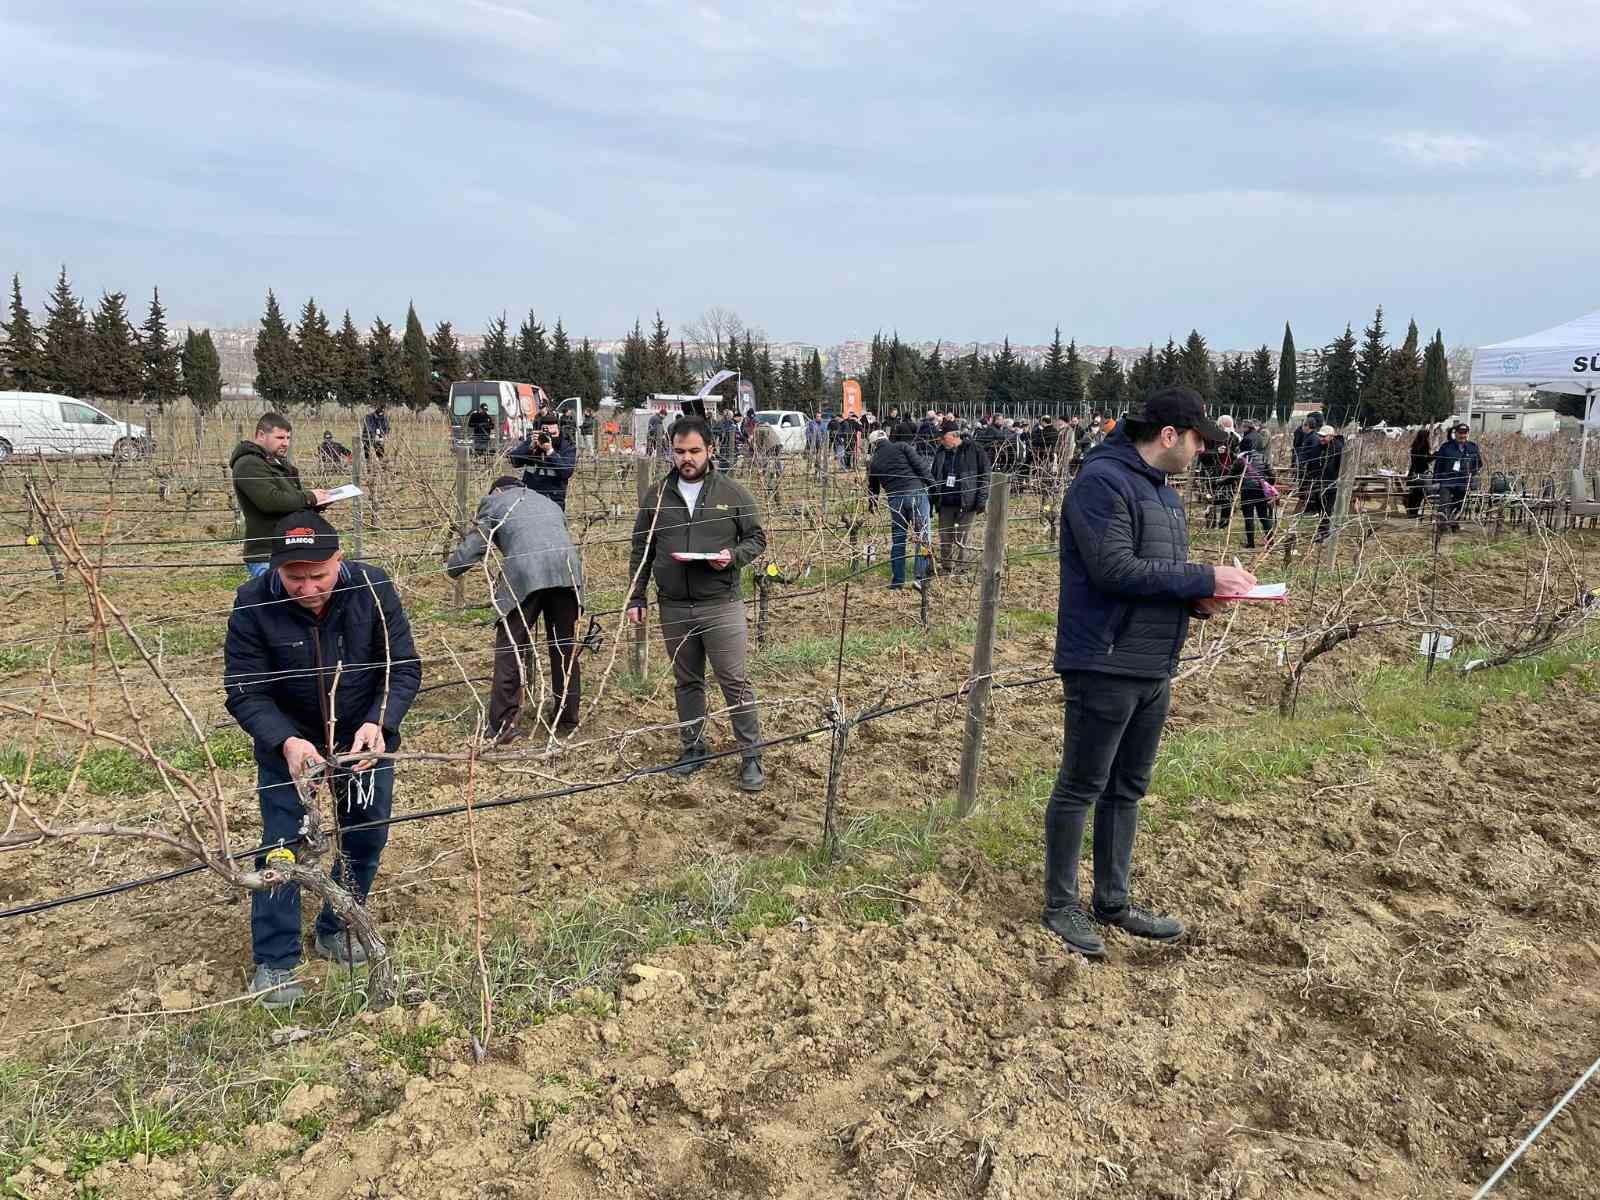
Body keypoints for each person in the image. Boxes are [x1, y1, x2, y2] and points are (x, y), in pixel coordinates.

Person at [1045, 387, 1257, 960]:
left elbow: (1157, 576)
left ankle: (1112, 901)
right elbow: (1114, 569)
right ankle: (1061, 904)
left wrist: (1200, 602)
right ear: (1169, 435)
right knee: (1082, 784)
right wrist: (1201, 576)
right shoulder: (1102, 484)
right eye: (1196, 440)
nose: (1200, 452)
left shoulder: (1163, 495)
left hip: (1153, 663)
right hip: (1104, 660)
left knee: (1127, 787)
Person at [223, 511, 421, 1008]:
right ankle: (276, 960)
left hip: (360, 738)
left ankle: (337, 926)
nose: (308, 588)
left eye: (319, 575)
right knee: (282, 846)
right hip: (288, 744)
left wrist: (380, 722)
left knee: (366, 834)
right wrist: (287, 742)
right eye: (295, 578)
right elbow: (243, 690)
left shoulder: (372, 589)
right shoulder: (254, 601)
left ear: (339, 560)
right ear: (275, 570)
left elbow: (403, 667)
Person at [628, 416, 768, 793]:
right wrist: (637, 595)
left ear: (710, 450)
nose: (686, 458)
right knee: (687, 681)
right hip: (673, 605)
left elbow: (756, 539)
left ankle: (751, 756)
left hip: (719, 603)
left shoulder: (732, 493)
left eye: (693, 451)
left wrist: (733, 556)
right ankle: (693, 749)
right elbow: (641, 549)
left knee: (734, 682)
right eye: (679, 452)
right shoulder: (657, 496)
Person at [446, 477, 584, 741]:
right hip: (568, 572)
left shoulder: (495, 502)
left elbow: (475, 546)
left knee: (510, 647)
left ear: (497, 490)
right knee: (565, 648)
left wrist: (453, 566)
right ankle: (567, 719)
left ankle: (503, 726)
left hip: (525, 573)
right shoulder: (548, 502)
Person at [229, 413, 332, 579]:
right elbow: (270, 501)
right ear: (261, 435)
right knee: (275, 601)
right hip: (267, 553)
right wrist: (309, 497)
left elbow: (288, 500)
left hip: (287, 548)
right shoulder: (249, 463)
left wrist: (315, 503)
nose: (286, 443)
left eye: (288, 438)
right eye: (280, 437)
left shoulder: (276, 462)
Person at [868, 420, 935, 590]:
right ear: (886, 439)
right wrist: (934, 486)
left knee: (898, 539)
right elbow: (920, 466)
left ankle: (897, 580)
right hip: (915, 494)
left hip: (895, 500)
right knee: (923, 536)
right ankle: (920, 577)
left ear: (874, 445)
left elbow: (873, 487)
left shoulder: (874, 462)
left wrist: (872, 502)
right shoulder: (902, 447)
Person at [929, 419, 991, 573]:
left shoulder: (974, 450)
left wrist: (982, 499)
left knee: (964, 537)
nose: (940, 440)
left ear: (954, 435)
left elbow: (985, 475)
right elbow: (934, 476)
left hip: (967, 502)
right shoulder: (941, 452)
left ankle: (962, 568)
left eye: (943, 437)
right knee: (945, 536)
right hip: (945, 503)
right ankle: (947, 567)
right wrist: (933, 497)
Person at [509, 411, 576, 508]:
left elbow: (566, 472)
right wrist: (530, 448)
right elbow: (514, 461)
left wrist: (550, 451)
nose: (549, 438)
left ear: (559, 431)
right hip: (530, 494)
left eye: (553, 433)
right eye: (546, 434)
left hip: (554, 497)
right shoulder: (532, 441)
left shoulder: (566, 446)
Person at [1232, 423, 1278, 549]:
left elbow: (1231, 476)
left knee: (1249, 517)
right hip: (1260, 490)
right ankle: (1270, 541)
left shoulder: (1240, 460)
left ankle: (1251, 543)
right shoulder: (1262, 457)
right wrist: (1269, 484)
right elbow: (1272, 473)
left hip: (1247, 491)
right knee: (1264, 516)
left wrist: (1218, 482)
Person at [1433, 422, 1482, 532]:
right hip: (1447, 481)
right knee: (1444, 504)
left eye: (1465, 433)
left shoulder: (1472, 447)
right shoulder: (1446, 447)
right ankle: (1442, 526)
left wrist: (1472, 475)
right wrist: (1436, 480)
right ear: (1456, 434)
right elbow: (1438, 464)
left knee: (1459, 504)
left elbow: (1478, 463)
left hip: (1462, 482)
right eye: (1460, 433)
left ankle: (1454, 524)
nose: (1462, 435)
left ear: (1467, 434)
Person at [1300, 424, 1344, 542]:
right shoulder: (1317, 447)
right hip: (1317, 482)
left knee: (1326, 508)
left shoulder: (1338, 448)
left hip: (1330, 483)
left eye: (1324, 436)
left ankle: (1322, 533)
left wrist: (1337, 479)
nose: (1321, 438)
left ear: (1331, 436)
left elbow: (1341, 467)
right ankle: (1324, 530)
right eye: (1320, 436)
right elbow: (1311, 461)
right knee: (1320, 507)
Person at [1405, 427, 1434, 519]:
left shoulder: (1415, 446)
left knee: (1414, 493)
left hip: (1413, 472)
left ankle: (1411, 511)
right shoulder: (1423, 446)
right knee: (1419, 493)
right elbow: (1425, 460)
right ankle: (1414, 512)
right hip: (1420, 473)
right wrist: (1435, 455)